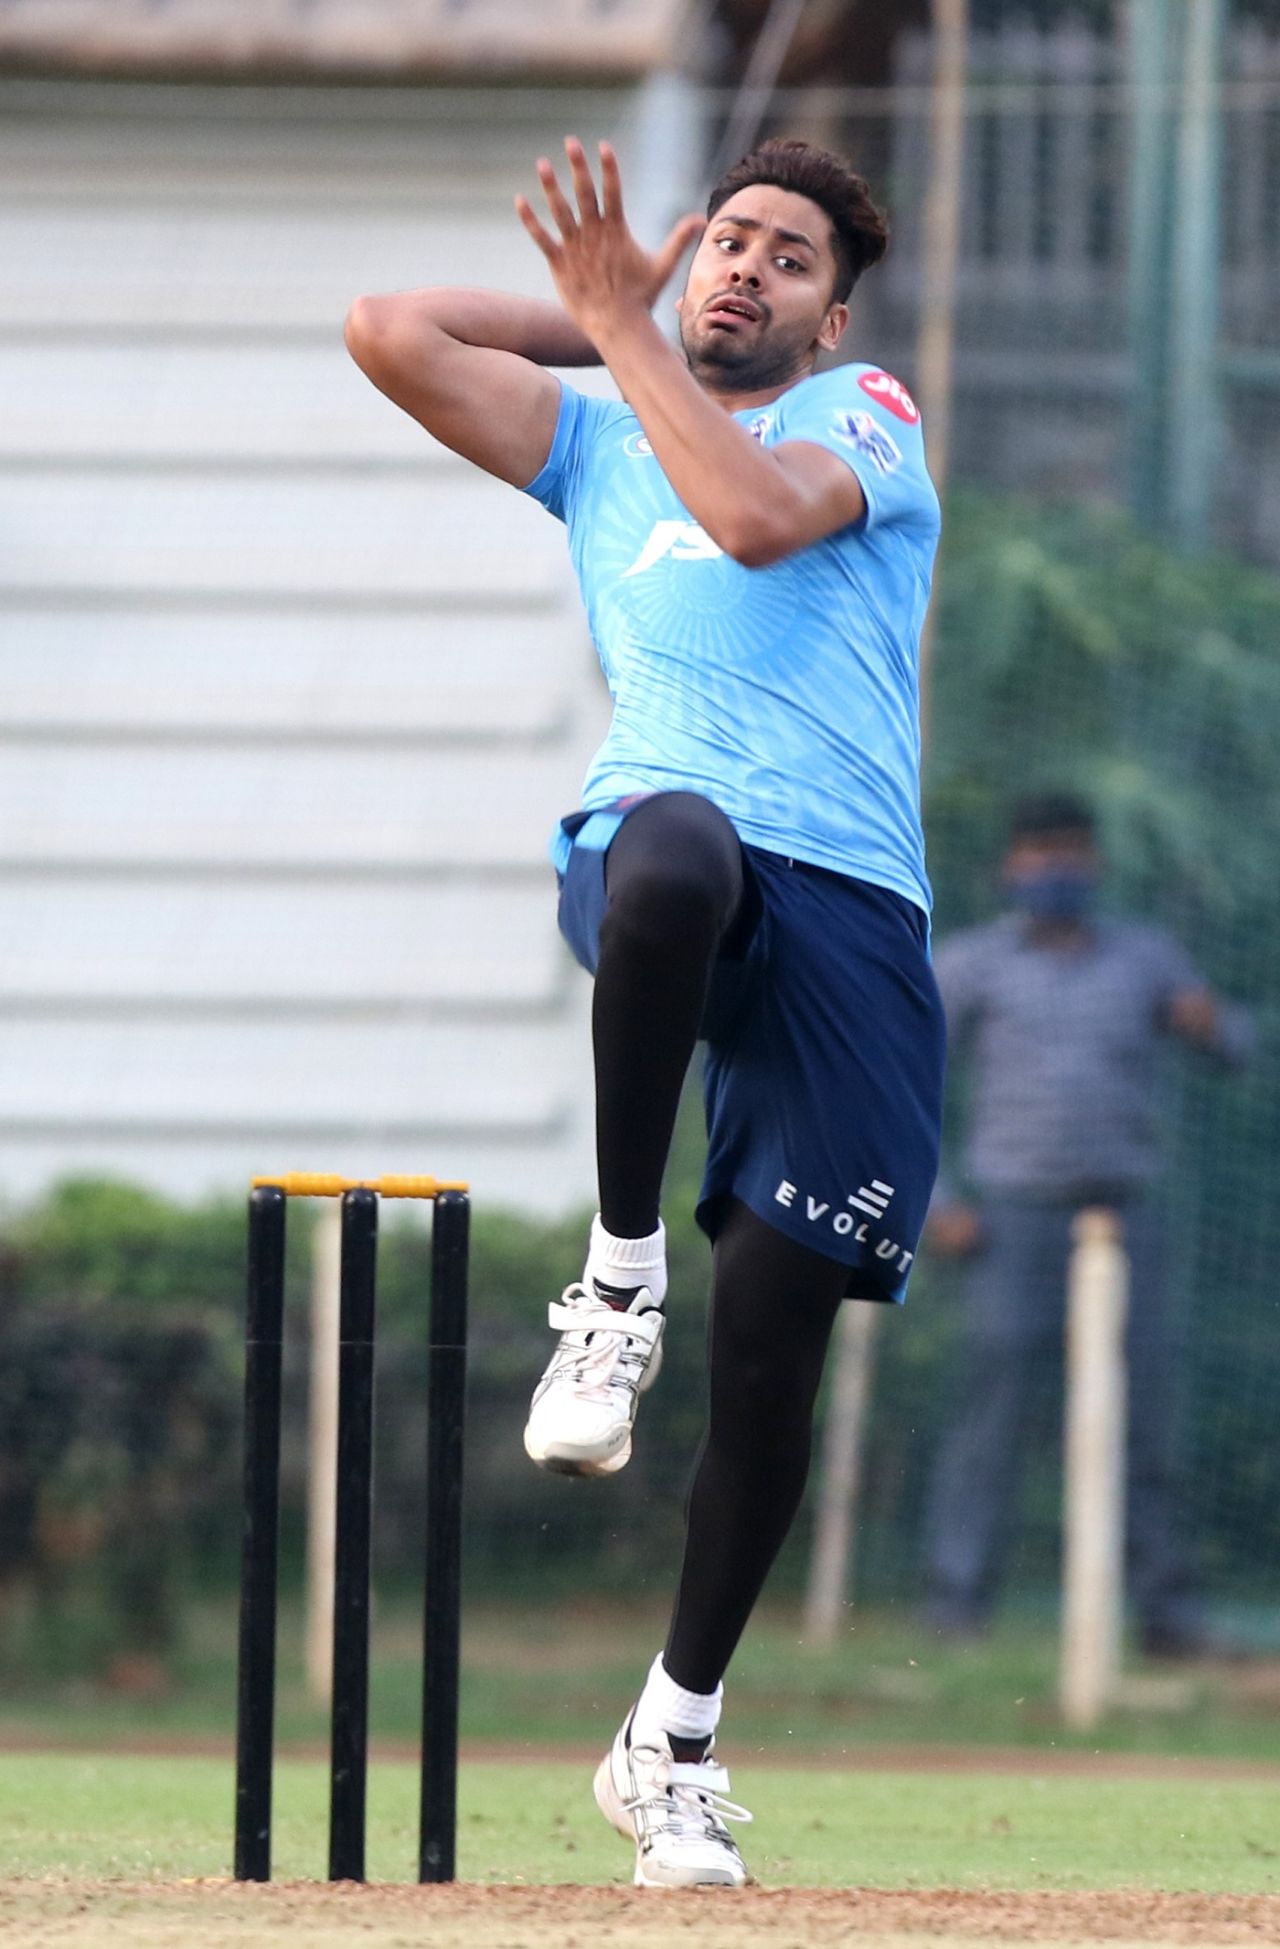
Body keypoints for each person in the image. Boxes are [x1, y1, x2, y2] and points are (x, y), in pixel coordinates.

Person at [346, 135, 945, 1887]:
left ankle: (669, 1737)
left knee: (774, 1350)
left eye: (787, 257)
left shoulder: (863, 417)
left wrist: (636, 329)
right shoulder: (600, 430)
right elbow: (388, 327)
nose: (748, 265)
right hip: (668, 851)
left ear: (835, 314)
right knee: (673, 849)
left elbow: (753, 523)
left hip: (852, 901)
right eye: (729, 240)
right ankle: (617, 1275)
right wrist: (610, 311)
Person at [923, 792, 1254, 1657]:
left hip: (1126, 1220)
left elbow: (1236, 1044)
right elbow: (907, 1081)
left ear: (1096, 862)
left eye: (1071, 851)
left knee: (1146, 1417)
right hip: (1009, 1224)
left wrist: (1211, 1025)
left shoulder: (1147, 957)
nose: (1056, 868)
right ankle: (956, 1611)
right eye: (1041, 852)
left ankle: (1166, 1616)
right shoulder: (973, 964)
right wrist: (939, 1201)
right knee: (992, 1416)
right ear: (1011, 865)